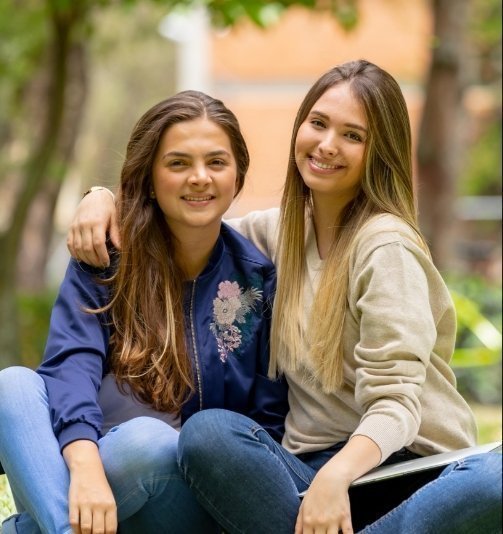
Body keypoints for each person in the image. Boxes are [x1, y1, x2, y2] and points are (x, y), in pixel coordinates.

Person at [65, 60, 502, 533]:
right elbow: (183, 223)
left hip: (403, 473)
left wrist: (336, 478)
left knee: (495, 478)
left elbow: (396, 404)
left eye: (352, 135)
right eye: (318, 123)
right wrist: (103, 197)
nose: (327, 144)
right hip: (304, 479)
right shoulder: (277, 234)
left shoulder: (386, 248)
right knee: (211, 434)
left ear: (380, 151)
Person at [0, 90, 289, 534]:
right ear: (150, 177)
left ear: (238, 174)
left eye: (216, 162)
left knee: (147, 441)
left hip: (185, 493)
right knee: (11, 386)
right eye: (177, 164)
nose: (199, 178)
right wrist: (85, 464)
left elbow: (265, 421)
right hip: (86, 481)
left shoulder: (255, 282)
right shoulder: (107, 255)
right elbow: (70, 363)